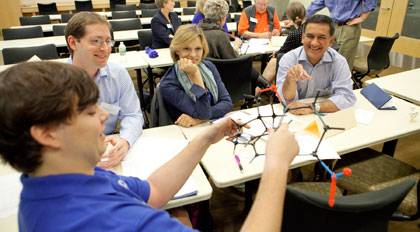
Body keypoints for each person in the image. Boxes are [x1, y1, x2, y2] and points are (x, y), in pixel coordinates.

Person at [0, 61, 299, 231]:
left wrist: (205, 139)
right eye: (90, 112)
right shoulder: (102, 221)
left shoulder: (64, 180)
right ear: (47, 134)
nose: (105, 116)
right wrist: (276, 164)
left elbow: (153, 191)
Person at [65, 12, 143, 168]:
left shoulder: (118, 74)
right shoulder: (54, 83)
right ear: (73, 43)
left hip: (107, 153)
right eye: (96, 41)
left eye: (108, 41)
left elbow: (133, 114)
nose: (105, 48)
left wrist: (125, 141)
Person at [307, 0, 378, 70]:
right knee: (329, 60)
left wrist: (363, 17)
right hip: (334, 28)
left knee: (343, 64)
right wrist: (299, 17)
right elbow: (315, 5)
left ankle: (342, 87)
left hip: (349, 28)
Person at [276, 14, 356, 115]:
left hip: (324, 115)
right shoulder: (289, 59)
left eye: (321, 37)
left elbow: (346, 97)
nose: (314, 43)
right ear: (302, 38)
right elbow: (287, 100)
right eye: (310, 36)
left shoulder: (339, 62)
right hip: (294, 116)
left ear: (331, 41)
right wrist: (290, 79)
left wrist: (313, 107)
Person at [160, 24, 233, 127]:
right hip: (186, 133)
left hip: (212, 125)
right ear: (177, 51)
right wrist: (195, 75)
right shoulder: (168, 84)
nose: (193, 55)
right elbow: (203, 113)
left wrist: (199, 120)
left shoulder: (209, 66)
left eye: (198, 48)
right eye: (186, 49)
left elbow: (227, 103)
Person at [261, 2, 307, 84]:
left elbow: (281, 52)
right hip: (305, 60)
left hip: (295, 63)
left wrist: (275, 54)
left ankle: (261, 88)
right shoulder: (307, 28)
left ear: (289, 16)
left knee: (273, 59)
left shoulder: (294, 34)